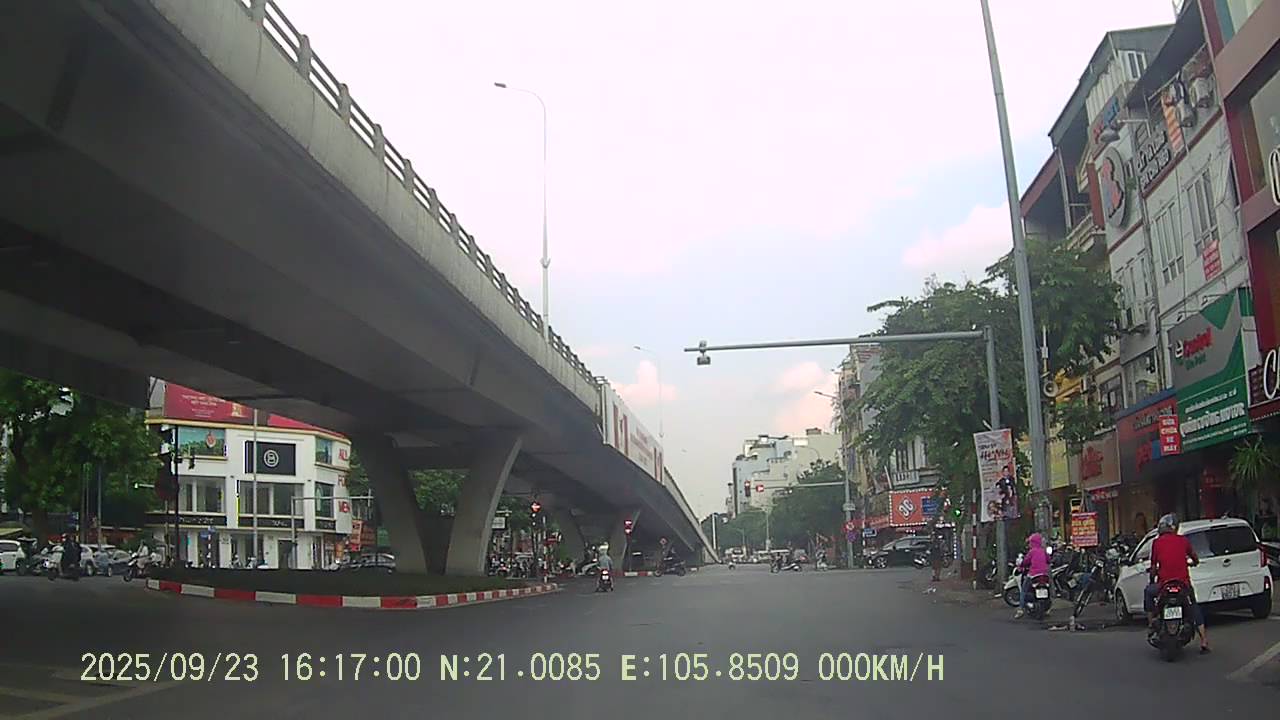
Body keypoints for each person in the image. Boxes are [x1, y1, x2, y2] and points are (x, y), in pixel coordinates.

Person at [1145, 514, 1209, 654]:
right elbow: (1195, 558)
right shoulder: (1183, 541)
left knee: (1148, 592)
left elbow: (1153, 566)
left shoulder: (1157, 543)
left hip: (1164, 585)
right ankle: (1204, 640)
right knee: (1193, 606)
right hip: (1183, 585)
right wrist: (1194, 562)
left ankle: (1150, 624)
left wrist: (1152, 579)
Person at [1014, 533, 1049, 619]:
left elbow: (1025, 562)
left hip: (1033, 575)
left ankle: (1020, 609)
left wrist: (1021, 565)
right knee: (1048, 590)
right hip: (1044, 575)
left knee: (1023, 590)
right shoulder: (1043, 551)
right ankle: (1047, 608)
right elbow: (1048, 560)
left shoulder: (1032, 551)